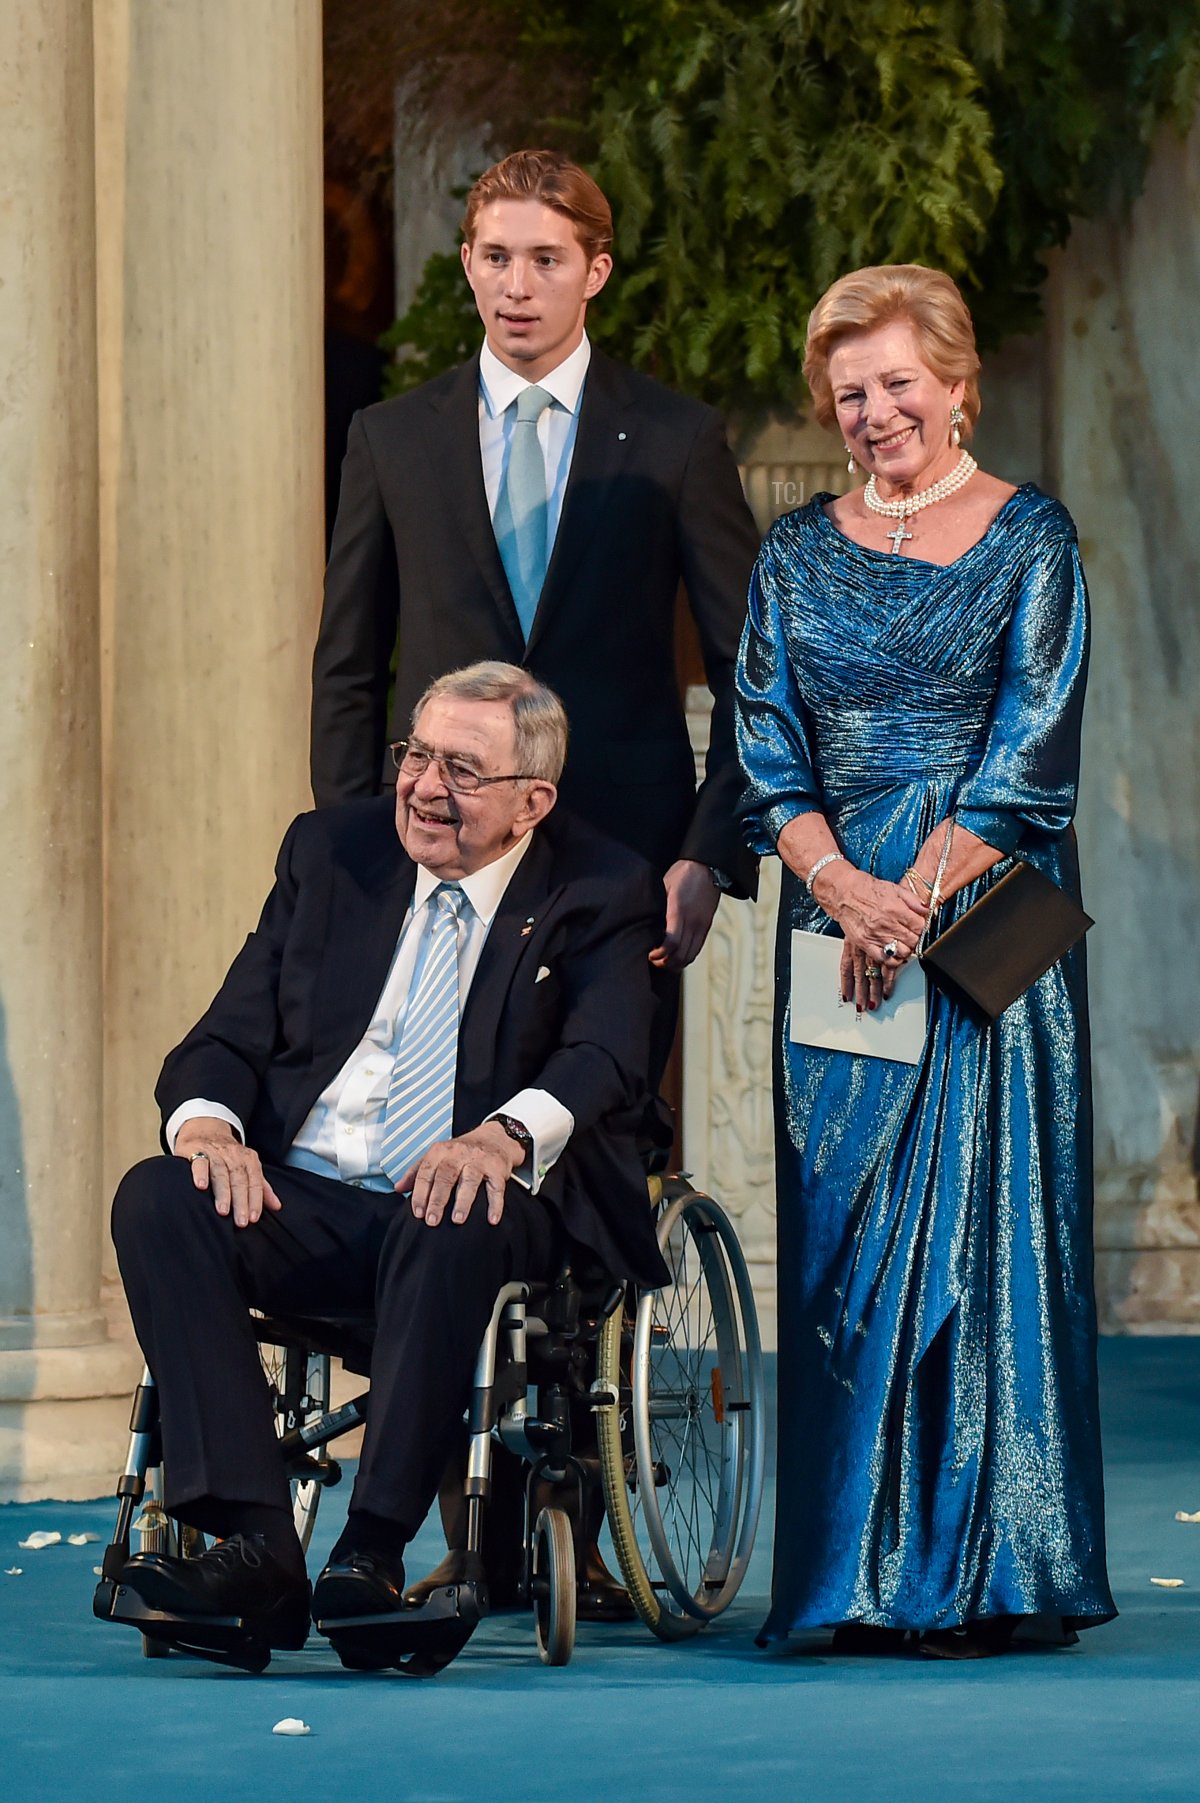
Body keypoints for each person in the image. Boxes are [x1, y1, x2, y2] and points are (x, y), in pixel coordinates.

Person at [110, 662, 668, 1668]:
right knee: (159, 1196)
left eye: (463, 769)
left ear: (532, 801)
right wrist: (209, 1130)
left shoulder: (601, 885)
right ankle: (256, 1550)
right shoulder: (334, 852)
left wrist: (500, 1136)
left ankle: (368, 1554)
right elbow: (226, 1034)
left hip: (475, 1203)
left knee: (453, 1205)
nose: (423, 786)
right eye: (417, 754)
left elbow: (606, 1052)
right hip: (308, 1196)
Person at [735, 265, 1116, 1658]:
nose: (876, 409)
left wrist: (912, 898)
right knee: (843, 1237)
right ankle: (850, 1574)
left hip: (991, 918)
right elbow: (764, 744)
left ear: (958, 385)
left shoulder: (1033, 536)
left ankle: (995, 1571)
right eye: (850, 390)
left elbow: (1032, 753)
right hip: (837, 923)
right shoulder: (792, 552)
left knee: (992, 1235)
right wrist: (843, 888)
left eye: (899, 381)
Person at [310, 148, 760, 1005]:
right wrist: (357, 850)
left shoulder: (677, 439)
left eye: (546, 260)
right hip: (434, 854)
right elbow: (347, 669)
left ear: (596, 272)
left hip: (627, 863)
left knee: (606, 1090)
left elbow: (751, 670)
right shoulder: (390, 439)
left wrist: (708, 854)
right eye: (497, 257)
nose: (516, 287)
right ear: (468, 263)